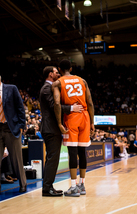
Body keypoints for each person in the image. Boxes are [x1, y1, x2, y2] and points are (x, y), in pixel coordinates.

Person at [52, 59, 94, 197]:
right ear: (71, 68)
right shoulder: (83, 81)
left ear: (59, 69)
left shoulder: (57, 83)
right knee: (82, 152)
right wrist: (92, 122)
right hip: (85, 117)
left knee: (72, 152)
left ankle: (74, 186)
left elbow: (57, 103)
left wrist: (59, 123)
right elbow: (90, 103)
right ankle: (82, 185)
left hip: (72, 118)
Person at [39, 66, 83, 197]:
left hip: (51, 128)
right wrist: (71, 108)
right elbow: (54, 106)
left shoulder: (50, 87)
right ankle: (47, 188)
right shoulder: (47, 88)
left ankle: (48, 186)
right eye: (56, 72)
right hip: (50, 128)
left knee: (53, 158)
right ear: (50, 74)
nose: (58, 74)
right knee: (52, 158)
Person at [0, 71, 27, 196]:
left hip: (11, 128)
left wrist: (21, 126)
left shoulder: (11, 89)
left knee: (16, 159)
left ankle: (23, 185)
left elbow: (20, 108)